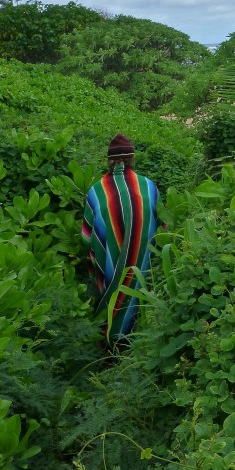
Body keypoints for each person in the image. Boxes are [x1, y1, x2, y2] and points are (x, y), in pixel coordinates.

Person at [81, 133, 160, 349]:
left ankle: (110, 345)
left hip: (110, 264)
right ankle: (137, 344)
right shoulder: (149, 187)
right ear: (132, 158)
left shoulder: (97, 191)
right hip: (142, 265)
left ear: (109, 160)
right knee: (137, 292)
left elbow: (88, 237)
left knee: (113, 288)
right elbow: (162, 228)